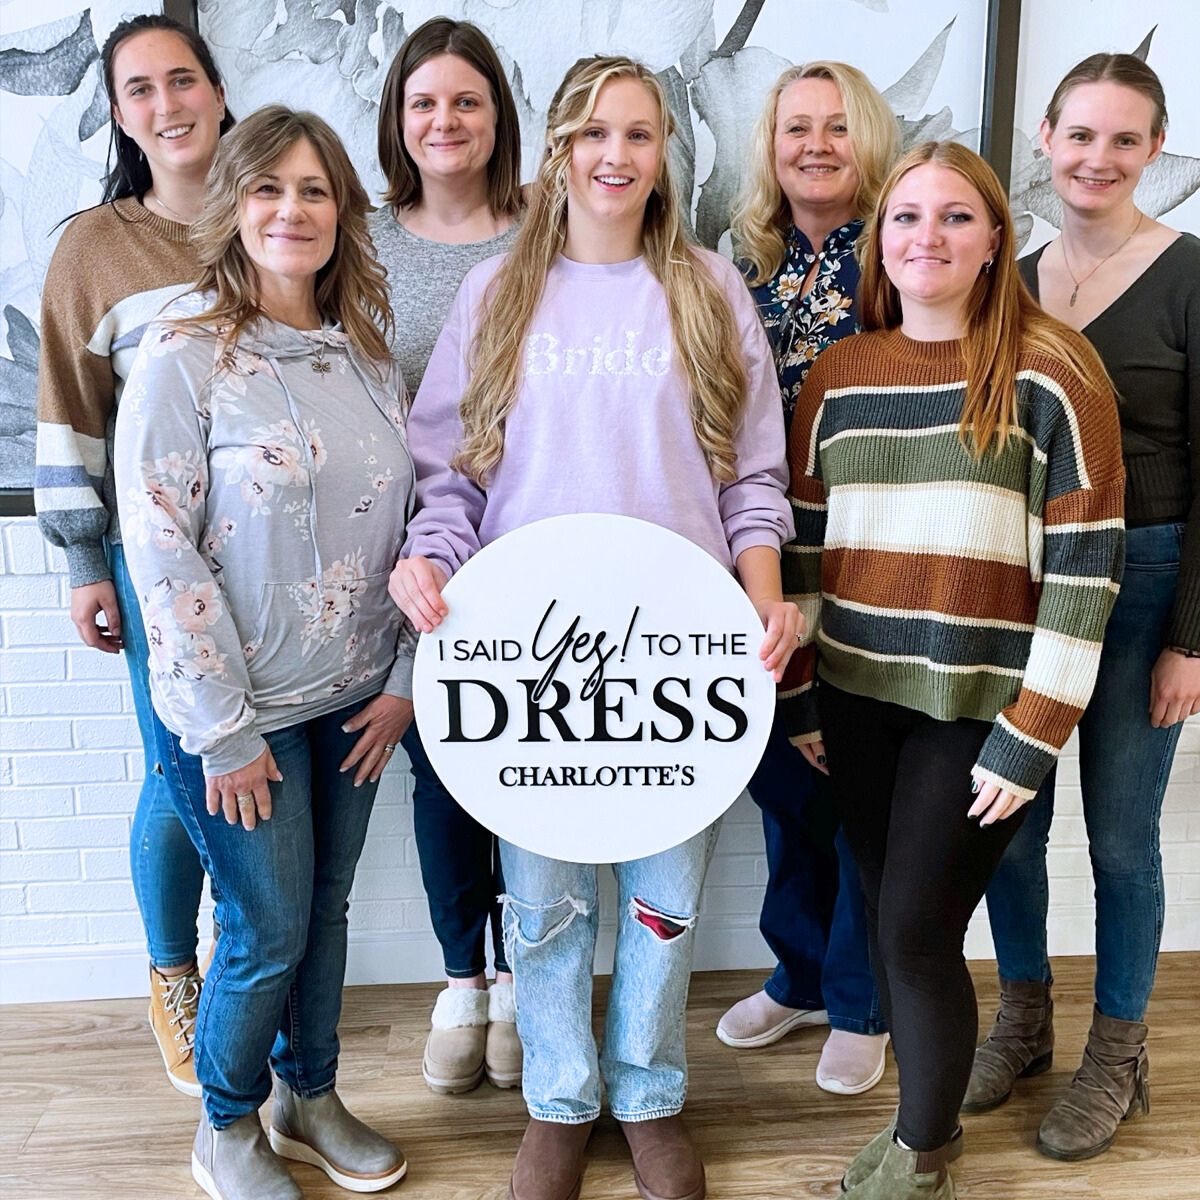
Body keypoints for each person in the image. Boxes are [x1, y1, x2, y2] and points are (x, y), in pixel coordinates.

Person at [389, 55, 799, 1200]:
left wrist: (764, 594)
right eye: (591, 133)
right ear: (558, 149)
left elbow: (750, 478)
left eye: (639, 133)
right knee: (549, 902)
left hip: (681, 655)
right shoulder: (498, 295)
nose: (614, 155)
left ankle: (651, 1093)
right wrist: (430, 566)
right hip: (530, 661)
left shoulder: (711, 292)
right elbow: (454, 480)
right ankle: (561, 1101)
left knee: (667, 897)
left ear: (668, 153)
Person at [782, 140, 1124, 1199]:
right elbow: (802, 548)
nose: (927, 237)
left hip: (978, 713)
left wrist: (1033, 735)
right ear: (879, 243)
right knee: (888, 909)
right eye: (905, 219)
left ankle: (925, 1155)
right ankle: (917, 1120)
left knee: (916, 927)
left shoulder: (1053, 370)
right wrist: (799, 699)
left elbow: (1086, 569)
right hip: (856, 697)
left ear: (993, 240)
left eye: (955, 218)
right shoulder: (839, 375)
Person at [114, 105, 413, 1200]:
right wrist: (224, 733)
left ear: (343, 212)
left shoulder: (368, 358)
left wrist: (404, 682)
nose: (294, 210)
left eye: (316, 189)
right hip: (241, 717)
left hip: (358, 703)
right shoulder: (183, 353)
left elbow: (410, 539)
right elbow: (159, 546)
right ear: (234, 206)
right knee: (263, 929)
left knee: (322, 916)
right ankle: (227, 1123)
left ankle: (310, 1094)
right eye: (269, 189)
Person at [968, 53, 1200, 1162]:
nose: (1097, 159)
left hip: (1147, 581)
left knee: (1119, 842)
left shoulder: (1191, 274)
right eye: (1080, 136)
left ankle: (1119, 1053)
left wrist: (1193, 641)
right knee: (1005, 820)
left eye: (1124, 140)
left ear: (1154, 149)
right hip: (1024, 581)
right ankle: (1023, 1016)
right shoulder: (1008, 275)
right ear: (1046, 142)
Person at [34, 12, 234, 1098]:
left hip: (280, 557)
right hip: (150, 552)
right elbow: (68, 412)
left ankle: (264, 967)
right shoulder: (92, 246)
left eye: (183, 80)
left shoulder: (277, 213)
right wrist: (81, 564)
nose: (167, 104)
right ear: (120, 113)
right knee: (181, 760)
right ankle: (174, 970)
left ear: (215, 88)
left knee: (257, 764)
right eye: (141, 90)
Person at [719, 60, 898, 1095]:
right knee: (785, 786)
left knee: (863, 786)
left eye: (838, 126)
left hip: (871, 562)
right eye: (797, 127)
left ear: (867, 140)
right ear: (771, 144)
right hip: (753, 561)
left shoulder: (900, 254)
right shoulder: (736, 267)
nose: (817, 144)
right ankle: (798, 974)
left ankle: (860, 997)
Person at [370, 15, 525, 1096]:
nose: (445, 120)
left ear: (497, 118)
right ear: (398, 121)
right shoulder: (363, 243)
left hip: (539, 553)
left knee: (536, 775)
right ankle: (461, 979)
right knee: (445, 779)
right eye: (424, 102)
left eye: (466, 100)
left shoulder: (548, 236)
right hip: (415, 555)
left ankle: (525, 979)